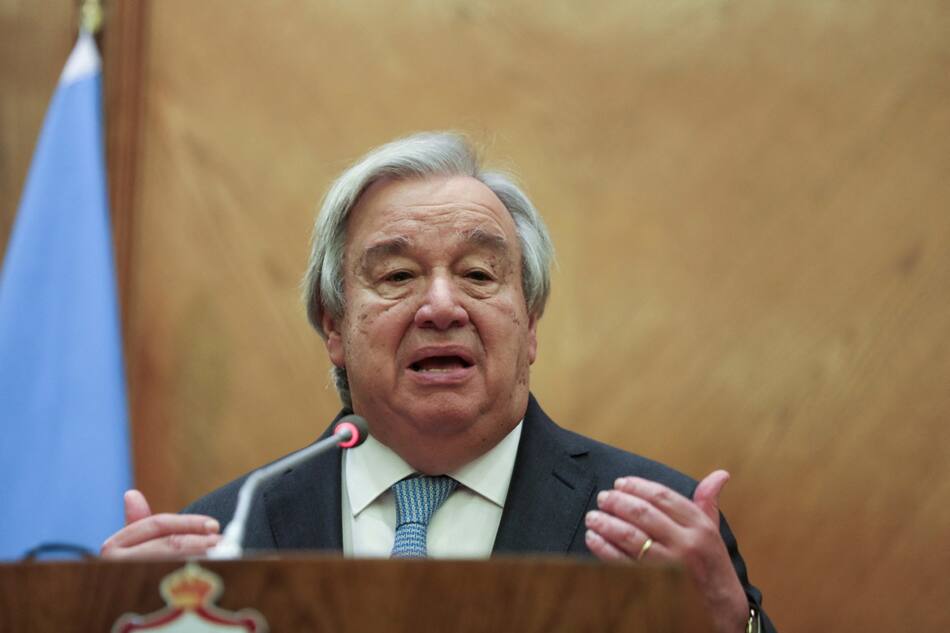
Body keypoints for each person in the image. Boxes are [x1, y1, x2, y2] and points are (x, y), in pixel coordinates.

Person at [101, 132, 776, 632]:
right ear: (333, 326)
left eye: (480, 274)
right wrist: (96, 617)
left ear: (530, 323)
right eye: (397, 277)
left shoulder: (660, 529)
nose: (442, 306)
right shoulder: (224, 539)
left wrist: (728, 617)